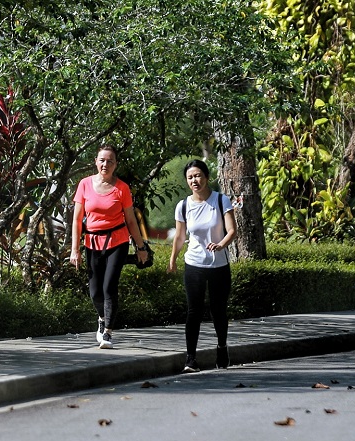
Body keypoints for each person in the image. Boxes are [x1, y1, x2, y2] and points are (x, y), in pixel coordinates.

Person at [70, 145, 149, 349]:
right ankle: (102, 318)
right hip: (92, 242)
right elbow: (77, 220)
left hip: (118, 241)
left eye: (110, 161)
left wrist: (141, 247)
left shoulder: (121, 188)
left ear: (116, 164)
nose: (105, 164)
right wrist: (75, 249)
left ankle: (107, 333)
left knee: (109, 287)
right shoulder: (85, 184)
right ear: (96, 161)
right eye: (102, 160)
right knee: (95, 291)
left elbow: (131, 221)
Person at [167, 159, 237, 372]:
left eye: (198, 176)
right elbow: (179, 236)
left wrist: (220, 244)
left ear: (206, 177)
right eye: (190, 177)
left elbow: (232, 230)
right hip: (194, 263)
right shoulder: (184, 205)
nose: (194, 180)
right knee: (193, 311)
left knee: (218, 310)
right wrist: (173, 259)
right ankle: (190, 359)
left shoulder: (221, 200)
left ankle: (222, 349)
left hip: (219, 265)